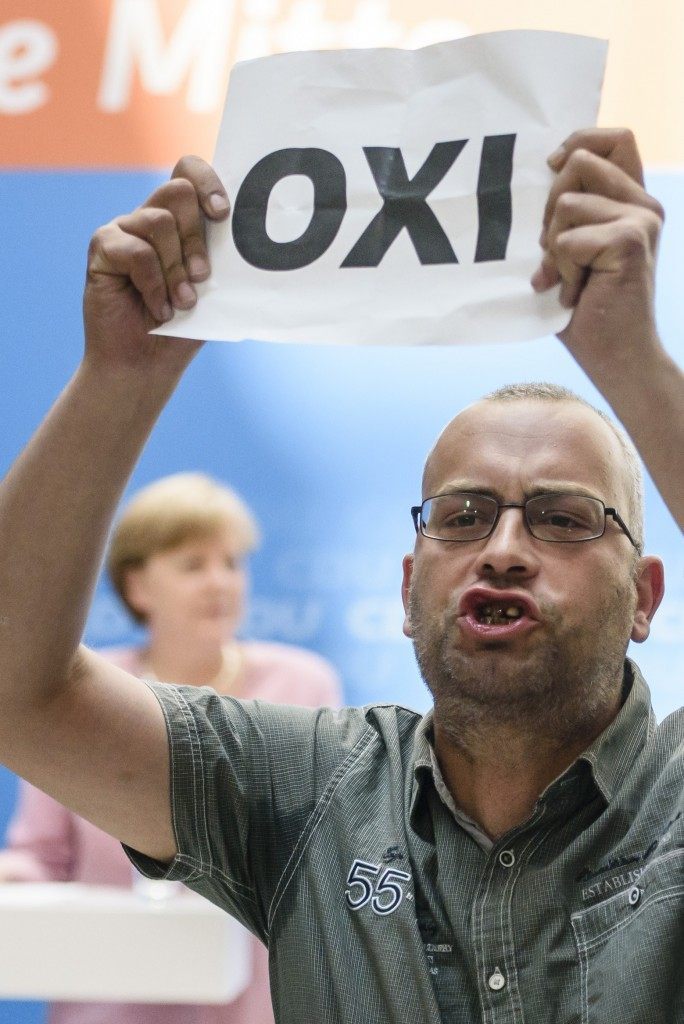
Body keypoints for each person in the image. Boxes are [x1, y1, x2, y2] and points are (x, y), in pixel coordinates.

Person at [0, 126, 681, 1024]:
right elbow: (20, 695)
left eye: (562, 518)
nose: (503, 549)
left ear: (643, 597)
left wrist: (630, 356)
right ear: (407, 590)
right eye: (462, 516)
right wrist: (121, 373)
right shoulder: (312, 788)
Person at [0, 473, 341, 1024]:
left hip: (252, 1006)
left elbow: (320, 858)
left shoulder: (302, 686)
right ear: (137, 587)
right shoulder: (78, 691)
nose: (220, 583)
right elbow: (43, 858)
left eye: (231, 563)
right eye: (192, 565)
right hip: (107, 1004)